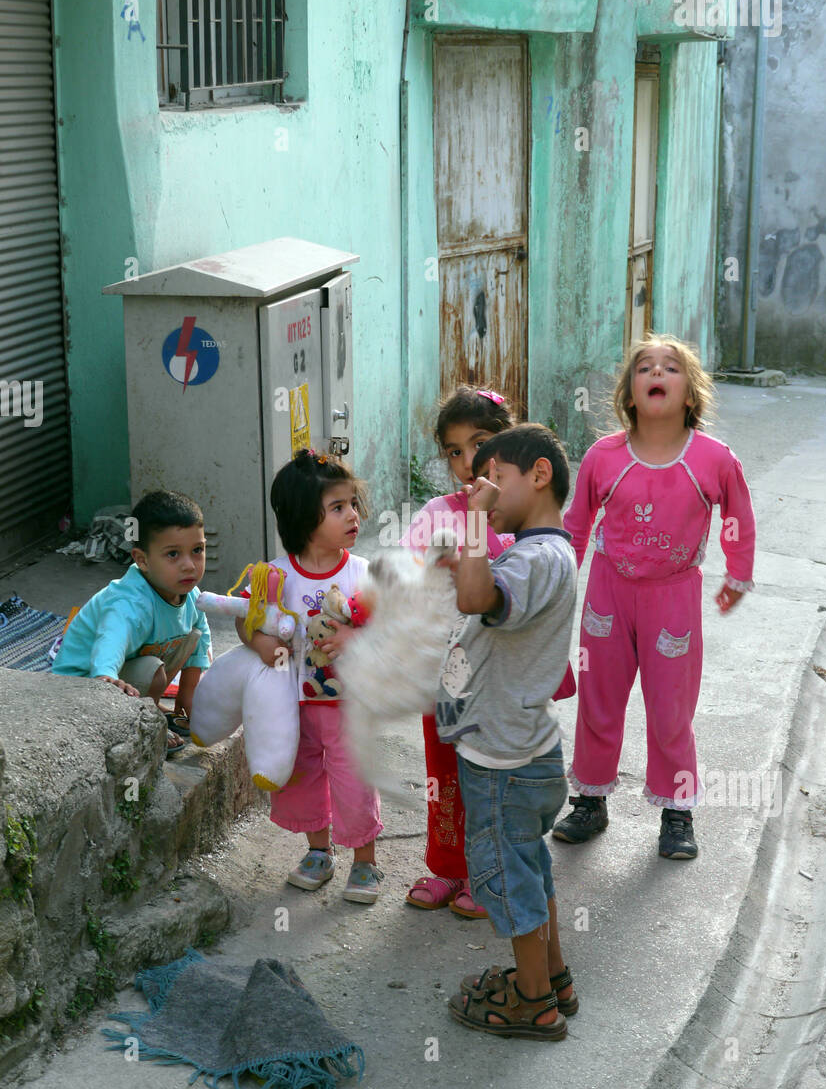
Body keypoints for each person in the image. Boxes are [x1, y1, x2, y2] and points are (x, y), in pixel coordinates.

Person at [554, 332, 756, 860]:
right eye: (646, 367)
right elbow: (576, 526)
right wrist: (559, 579)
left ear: (690, 394)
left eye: (671, 368)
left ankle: (677, 812)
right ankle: (590, 802)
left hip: (674, 597)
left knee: (671, 711)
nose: (657, 373)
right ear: (629, 392)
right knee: (599, 703)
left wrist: (738, 575)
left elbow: (738, 515)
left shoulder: (713, 458)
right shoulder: (604, 456)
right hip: (608, 595)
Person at [440, 423, 579, 1040]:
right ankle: (551, 977)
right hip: (528, 749)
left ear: (539, 475)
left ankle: (531, 1003)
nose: (486, 493)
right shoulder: (542, 554)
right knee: (532, 866)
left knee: (508, 871)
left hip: (504, 759)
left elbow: (475, 599)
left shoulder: (535, 555)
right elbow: (482, 592)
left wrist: (472, 525)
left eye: (495, 478)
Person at [236, 448, 384, 904]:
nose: (352, 515)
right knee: (301, 778)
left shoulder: (363, 574)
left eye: (352, 505)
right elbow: (245, 617)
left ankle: (365, 861)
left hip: (350, 708)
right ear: (304, 519)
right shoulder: (275, 577)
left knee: (354, 781)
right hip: (292, 707)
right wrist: (260, 642)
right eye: (338, 508)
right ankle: (318, 852)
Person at [401, 385, 516, 920]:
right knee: (443, 773)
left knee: (492, 777)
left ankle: (489, 871)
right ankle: (448, 867)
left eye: (481, 443)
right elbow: (405, 576)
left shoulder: (517, 517)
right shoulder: (433, 513)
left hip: (499, 676)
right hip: (442, 672)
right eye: (453, 450)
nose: (468, 461)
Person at [52, 490, 211, 754]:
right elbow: (111, 640)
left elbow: (199, 642)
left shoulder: (191, 596)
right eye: (173, 554)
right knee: (153, 669)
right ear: (142, 560)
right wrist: (106, 676)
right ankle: (146, 727)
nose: (189, 565)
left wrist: (186, 704)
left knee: (193, 636)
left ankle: (157, 708)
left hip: (130, 675)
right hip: (82, 686)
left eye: (197, 550)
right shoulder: (129, 602)